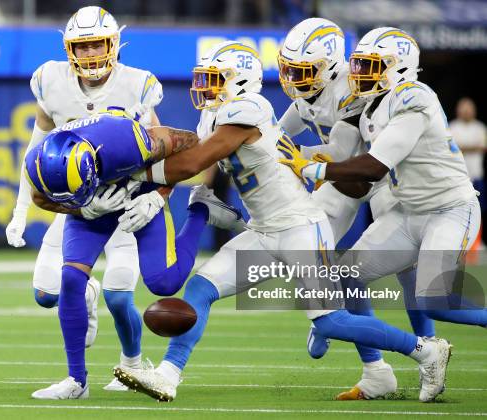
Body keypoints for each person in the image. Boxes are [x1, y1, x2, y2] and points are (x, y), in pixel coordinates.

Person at [113, 40, 453, 404]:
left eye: (215, 79)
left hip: (300, 227)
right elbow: (202, 158)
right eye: (204, 78)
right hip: (263, 230)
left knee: (329, 322)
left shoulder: (250, 109)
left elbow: (193, 162)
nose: (205, 87)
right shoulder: (216, 113)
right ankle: (167, 376)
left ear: (240, 81)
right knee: (200, 289)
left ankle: (424, 350)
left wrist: (133, 174)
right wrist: (186, 191)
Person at [25, 108, 244, 400]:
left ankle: (200, 209)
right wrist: (80, 207)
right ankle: (77, 381)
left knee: (164, 283)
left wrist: (158, 196)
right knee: (71, 280)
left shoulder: (127, 141)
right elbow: (40, 199)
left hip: (141, 192)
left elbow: (191, 145)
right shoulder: (38, 164)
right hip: (93, 207)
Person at [4, 6, 168, 392]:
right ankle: (84, 304)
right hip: (80, 206)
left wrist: (156, 198)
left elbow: (162, 149)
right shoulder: (51, 81)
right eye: (83, 46)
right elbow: (35, 153)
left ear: (113, 44)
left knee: (119, 293)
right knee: (47, 294)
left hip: (125, 203)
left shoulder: (136, 84)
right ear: (68, 49)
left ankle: (131, 366)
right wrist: (20, 209)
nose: (92, 54)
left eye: (97, 44)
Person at [278, 18, 434, 400]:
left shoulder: (355, 82)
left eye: (303, 71)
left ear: (330, 64)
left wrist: (297, 158)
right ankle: (372, 366)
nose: (295, 79)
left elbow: (342, 153)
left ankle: (432, 349)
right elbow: (279, 132)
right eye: (291, 69)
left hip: (383, 177)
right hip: (343, 181)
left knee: (409, 273)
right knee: (303, 248)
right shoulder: (309, 92)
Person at [450, 97, 487, 246]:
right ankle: (458, 242)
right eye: (463, 108)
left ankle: (476, 242)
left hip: (476, 176)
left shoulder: (480, 127)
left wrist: (462, 147)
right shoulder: (452, 127)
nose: (466, 111)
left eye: (469, 108)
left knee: (479, 210)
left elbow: (483, 147)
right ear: (458, 110)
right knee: (457, 210)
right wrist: (472, 147)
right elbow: (451, 148)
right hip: (458, 178)